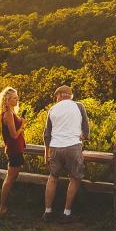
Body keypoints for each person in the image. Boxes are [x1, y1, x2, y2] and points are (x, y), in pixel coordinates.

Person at [42, 84, 89, 223]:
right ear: (70, 95)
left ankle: (47, 212)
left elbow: (46, 134)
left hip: (55, 148)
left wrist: (46, 154)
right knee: (74, 178)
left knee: (52, 177)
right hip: (73, 147)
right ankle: (67, 212)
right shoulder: (79, 106)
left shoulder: (52, 109)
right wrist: (83, 136)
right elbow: (86, 128)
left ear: (59, 95)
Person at [0, 86, 26, 216]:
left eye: (16, 97)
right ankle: (2, 207)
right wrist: (23, 125)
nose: (17, 99)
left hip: (16, 148)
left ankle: (6, 204)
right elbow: (14, 135)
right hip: (14, 149)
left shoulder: (12, 112)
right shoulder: (8, 114)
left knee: (12, 178)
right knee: (9, 178)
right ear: (7, 100)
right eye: (14, 97)